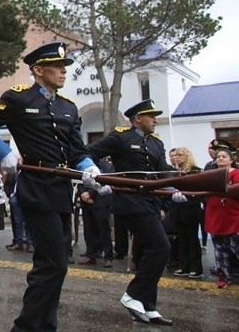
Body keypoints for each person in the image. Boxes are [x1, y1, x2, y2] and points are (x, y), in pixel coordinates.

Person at [0, 42, 100, 332]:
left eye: (66, 66)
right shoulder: (18, 98)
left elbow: (77, 148)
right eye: (58, 66)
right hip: (37, 189)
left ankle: (44, 326)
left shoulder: (68, 106)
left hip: (63, 190)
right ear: (38, 70)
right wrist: (1, 152)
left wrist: (89, 166)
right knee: (52, 264)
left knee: (55, 263)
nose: (64, 71)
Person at [87, 99, 175, 326]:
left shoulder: (156, 143)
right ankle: (133, 295)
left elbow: (163, 171)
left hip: (151, 202)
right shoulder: (121, 137)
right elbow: (90, 153)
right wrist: (97, 178)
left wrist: (177, 188)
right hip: (130, 202)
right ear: (138, 119)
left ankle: (148, 306)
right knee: (161, 246)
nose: (155, 120)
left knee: (151, 252)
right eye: (151, 116)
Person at [195, 147, 239, 291]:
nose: (221, 158)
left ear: (231, 160)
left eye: (224, 156)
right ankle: (224, 276)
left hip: (235, 216)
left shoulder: (238, 173)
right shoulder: (210, 175)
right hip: (216, 215)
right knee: (220, 250)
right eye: (219, 156)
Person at [170, 147, 204, 279]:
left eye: (180, 155)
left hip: (191, 208)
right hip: (179, 208)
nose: (176, 157)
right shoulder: (177, 172)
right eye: (176, 155)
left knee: (192, 239)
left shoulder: (195, 171)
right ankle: (183, 265)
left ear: (187, 156)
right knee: (181, 239)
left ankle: (196, 267)